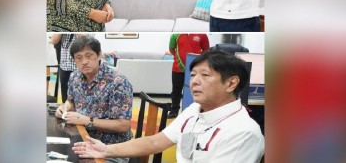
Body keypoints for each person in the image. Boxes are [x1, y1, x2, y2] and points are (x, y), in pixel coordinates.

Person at [72, 50, 264, 162]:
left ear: (231, 83)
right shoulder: (194, 111)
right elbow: (155, 142)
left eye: (205, 75)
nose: (194, 81)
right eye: (194, 75)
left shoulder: (243, 133)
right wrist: (106, 150)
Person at [55, 36, 133, 163]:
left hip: (111, 149)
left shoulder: (118, 82)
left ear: (99, 55)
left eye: (89, 56)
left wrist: (87, 121)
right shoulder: (75, 77)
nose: (84, 62)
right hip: (82, 139)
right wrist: (65, 107)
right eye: (79, 58)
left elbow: (123, 125)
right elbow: (71, 101)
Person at [168, 34, 210, 118]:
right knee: (176, 90)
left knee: (195, 89)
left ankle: (194, 111)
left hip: (194, 70)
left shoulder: (202, 35)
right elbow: (172, 49)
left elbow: (206, 50)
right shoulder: (175, 35)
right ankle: (174, 111)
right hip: (177, 68)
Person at [50, 34, 77, 103]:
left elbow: (85, 38)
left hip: (78, 67)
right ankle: (66, 112)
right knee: (65, 96)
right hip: (64, 65)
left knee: (78, 95)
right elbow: (53, 41)